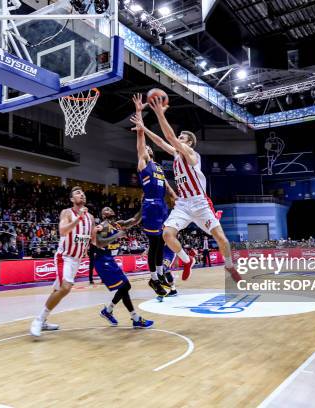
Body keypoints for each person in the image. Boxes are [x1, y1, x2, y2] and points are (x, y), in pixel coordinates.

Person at [131, 97, 241, 282]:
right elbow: (160, 141)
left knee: (221, 238)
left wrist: (158, 113)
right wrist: (144, 128)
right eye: (180, 137)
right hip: (183, 203)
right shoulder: (176, 155)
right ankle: (186, 260)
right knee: (167, 234)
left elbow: (169, 137)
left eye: (182, 138)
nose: (179, 139)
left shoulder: (191, 154)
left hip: (199, 201)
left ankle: (229, 266)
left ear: (189, 143)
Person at [30, 186, 96, 337]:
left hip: (77, 260)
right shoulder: (67, 212)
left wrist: (114, 233)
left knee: (58, 290)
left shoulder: (90, 217)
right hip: (64, 257)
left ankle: (44, 320)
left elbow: (94, 241)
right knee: (66, 287)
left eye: (83, 193)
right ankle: (38, 320)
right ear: (72, 199)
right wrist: (78, 218)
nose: (82, 195)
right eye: (78, 193)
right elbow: (63, 231)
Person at [131, 94, 178, 297]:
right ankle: (153, 277)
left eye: (150, 148)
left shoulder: (157, 166)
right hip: (150, 206)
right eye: (145, 148)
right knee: (154, 244)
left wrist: (173, 192)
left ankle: (159, 275)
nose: (147, 148)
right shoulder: (143, 163)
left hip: (162, 206)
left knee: (161, 242)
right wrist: (140, 112)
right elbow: (141, 139)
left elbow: (166, 183)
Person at [95, 207, 154, 328]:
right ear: (103, 215)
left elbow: (134, 220)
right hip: (103, 260)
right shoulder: (104, 225)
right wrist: (117, 235)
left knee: (125, 287)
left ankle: (109, 311)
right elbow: (100, 242)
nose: (108, 209)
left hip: (110, 260)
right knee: (125, 285)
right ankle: (135, 318)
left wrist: (145, 205)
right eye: (105, 209)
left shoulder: (118, 224)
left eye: (109, 208)